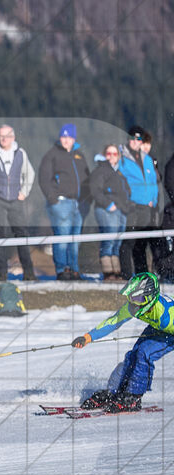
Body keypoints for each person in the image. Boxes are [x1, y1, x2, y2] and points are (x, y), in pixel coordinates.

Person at [73, 272, 172, 413]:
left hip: (170, 331)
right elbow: (113, 322)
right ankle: (115, 392)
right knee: (133, 354)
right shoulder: (134, 307)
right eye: (131, 297)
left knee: (144, 353)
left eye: (137, 298)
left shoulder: (167, 315)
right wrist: (87, 337)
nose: (133, 302)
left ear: (150, 297)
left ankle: (133, 397)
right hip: (157, 327)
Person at [0, 124, 36, 281]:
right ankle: (2, 274)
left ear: (13, 137)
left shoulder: (20, 153)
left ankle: (29, 273)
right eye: (2, 136)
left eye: (8, 136)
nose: (4, 139)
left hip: (16, 201)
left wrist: (24, 192)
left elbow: (30, 174)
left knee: (22, 234)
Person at [38, 124, 91, 280]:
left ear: (73, 138)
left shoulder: (79, 156)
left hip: (79, 204)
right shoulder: (52, 155)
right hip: (61, 203)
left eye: (69, 137)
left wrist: (87, 201)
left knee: (75, 239)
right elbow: (44, 178)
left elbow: (87, 179)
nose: (66, 140)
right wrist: (53, 199)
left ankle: (74, 269)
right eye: (63, 137)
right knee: (62, 237)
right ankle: (62, 269)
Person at [118, 126, 160, 277]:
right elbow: (118, 182)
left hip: (147, 207)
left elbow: (153, 182)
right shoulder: (123, 158)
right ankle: (126, 274)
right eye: (133, 139)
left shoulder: (147, 159)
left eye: (139, 139)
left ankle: (142, 274)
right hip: (133, 206)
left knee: (141, 244)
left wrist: (153, 201)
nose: (136, 142)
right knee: (129, 242)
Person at [90, 144, 131, 281]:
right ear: (104, 155)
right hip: (106, 210)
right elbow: (95, 190)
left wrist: (125, 205)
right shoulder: (101, 170)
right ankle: (108, 272)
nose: (112, 156)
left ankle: (116, 271)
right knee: (108, 240)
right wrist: (108, 204)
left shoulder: (119, 172)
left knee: (117, 242)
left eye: (115, 154)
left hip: (121, 211)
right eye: (109, 154)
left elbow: (126, 191)